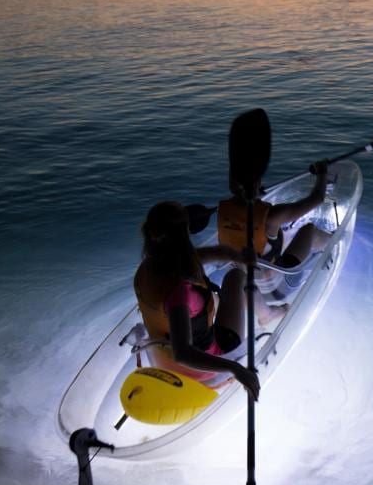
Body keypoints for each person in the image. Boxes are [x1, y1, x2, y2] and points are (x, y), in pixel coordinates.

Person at [134, 200, 259, 399]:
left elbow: (215, 253)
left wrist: (237, 254)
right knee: (236, 277)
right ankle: (266, 313)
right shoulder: (179, 292)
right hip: (205, 369)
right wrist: (235, 368)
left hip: (161, 362)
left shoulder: (146, 268)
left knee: (211, 299)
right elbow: (182, 353)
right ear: (185, 234)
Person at [216, 161, 331, 284]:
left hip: (242, 284)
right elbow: (317, 199)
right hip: (278, 286)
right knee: (310, 229)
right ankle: (335, 242)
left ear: (231, 185)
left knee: (281, 236)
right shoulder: (273, 216)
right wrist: (322, 172)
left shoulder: (222, 211)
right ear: (258, 183)